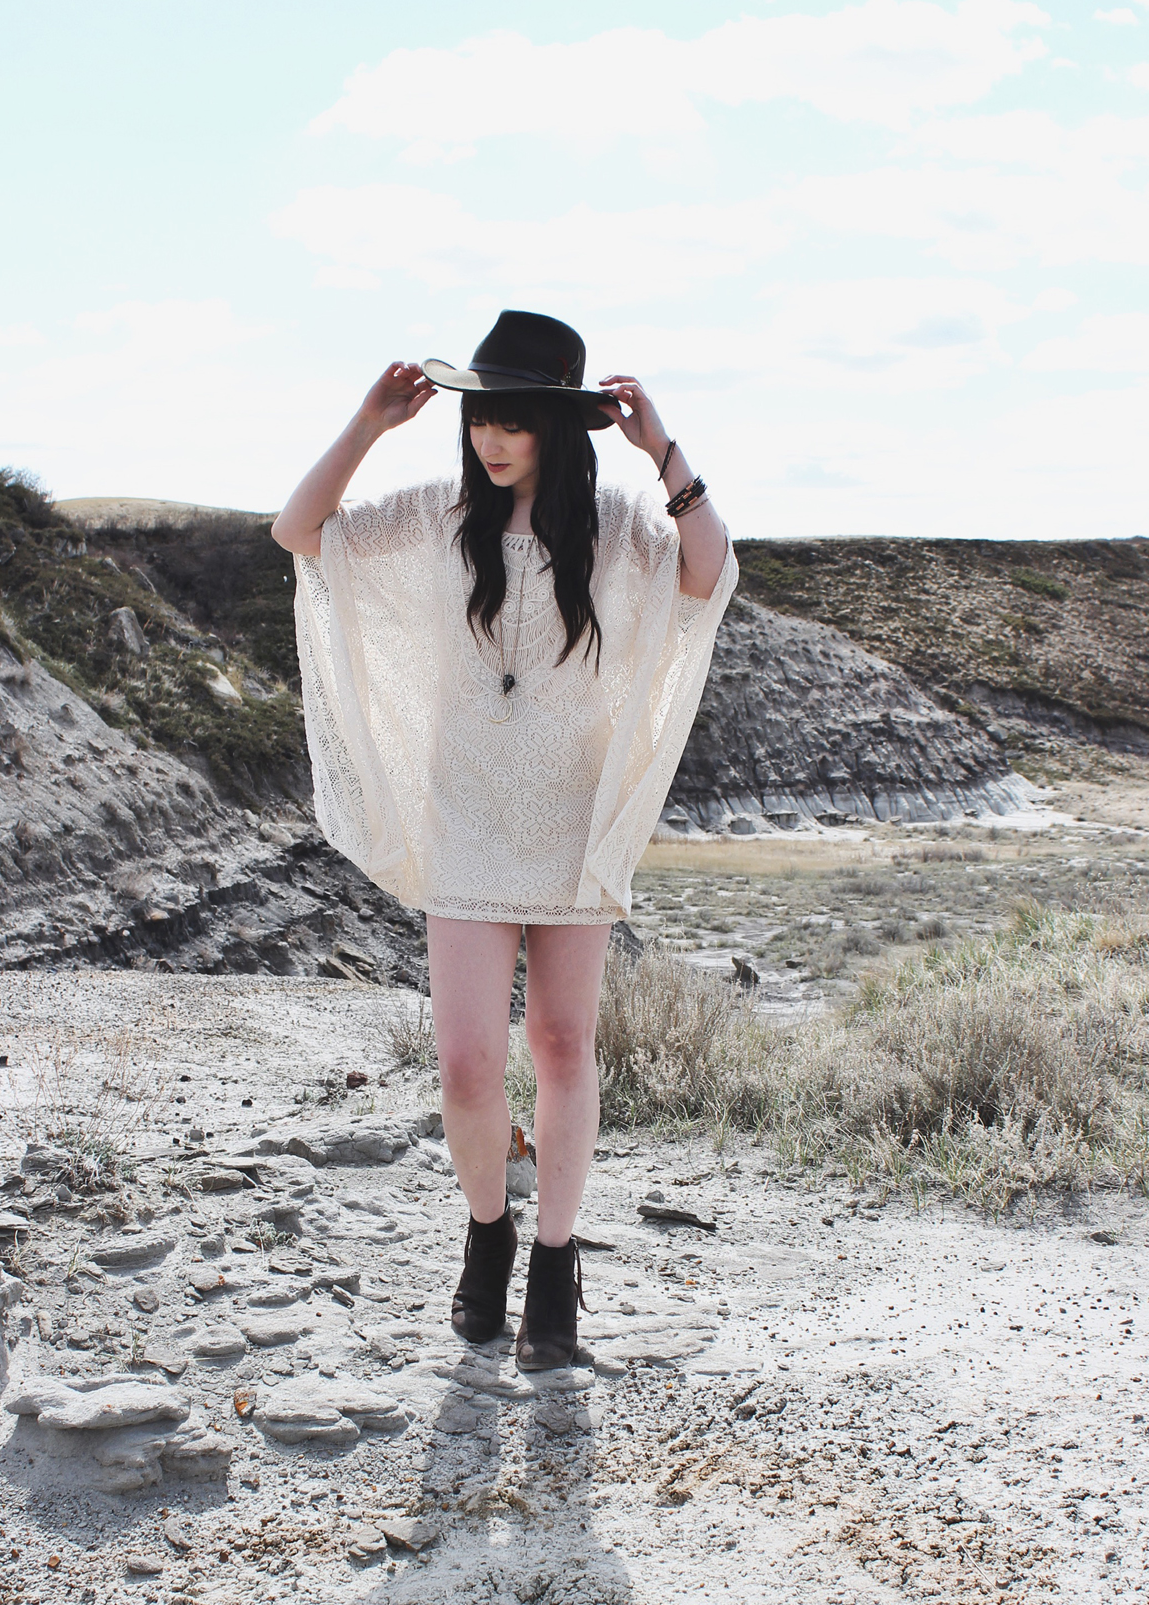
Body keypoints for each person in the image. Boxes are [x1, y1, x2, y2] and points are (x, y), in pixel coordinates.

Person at [272, 311, 737, 1369]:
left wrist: (661, 448)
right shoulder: (437, 513)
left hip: (571, 824)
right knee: (467, 1063)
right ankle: (489, 1231)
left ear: (557, 429)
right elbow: (299, 532)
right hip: (467, 822)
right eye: (481, 416)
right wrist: (367, 425)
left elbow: (709, 570)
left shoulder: (616, 527)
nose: (490, 437)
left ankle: (554, 1266)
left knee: (563, 1046)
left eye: (514, 420)